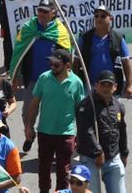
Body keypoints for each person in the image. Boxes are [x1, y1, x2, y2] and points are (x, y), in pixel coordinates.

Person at [24, 48, 87, 193]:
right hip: (45, 132)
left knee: (63, 171)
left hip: (66, 134)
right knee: (44, 169)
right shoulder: (44, 78)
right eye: (51, 64)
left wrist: (81, 134)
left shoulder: (77, 83)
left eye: (56, 65)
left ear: (67, 65)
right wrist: (29, 127)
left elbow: (80, 110)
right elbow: (34, 104)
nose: (52, 67)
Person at [73, 70, 129, 193]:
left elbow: (122, 131)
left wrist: (124, 153)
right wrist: (98, 153)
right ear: (96, 85)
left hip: (113, 159)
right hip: (91, 161)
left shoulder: (119, 106)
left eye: (109, 85)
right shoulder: (86, 105)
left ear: (115, 87)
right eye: (103, 84)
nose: (106, 88)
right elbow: (86, 132)